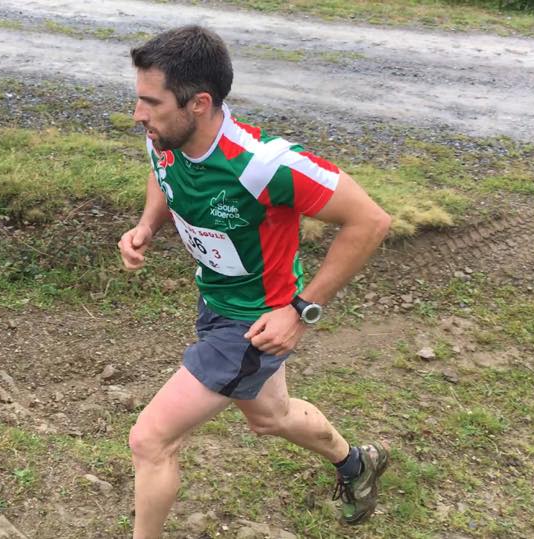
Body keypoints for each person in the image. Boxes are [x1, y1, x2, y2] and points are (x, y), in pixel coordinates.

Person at [118, 26, 393, 538]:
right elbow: (162, 172)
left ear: (199, 103)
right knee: (270, 416)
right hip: (214, 301)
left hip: (254, 325)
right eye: (139, 99)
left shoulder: (264, 164)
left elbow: (371, 221)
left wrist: (300, 311)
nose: (138, 115)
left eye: (151, 103)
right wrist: (147, 226)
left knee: (150, 440)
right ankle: (356, 463)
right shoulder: (165, 135)